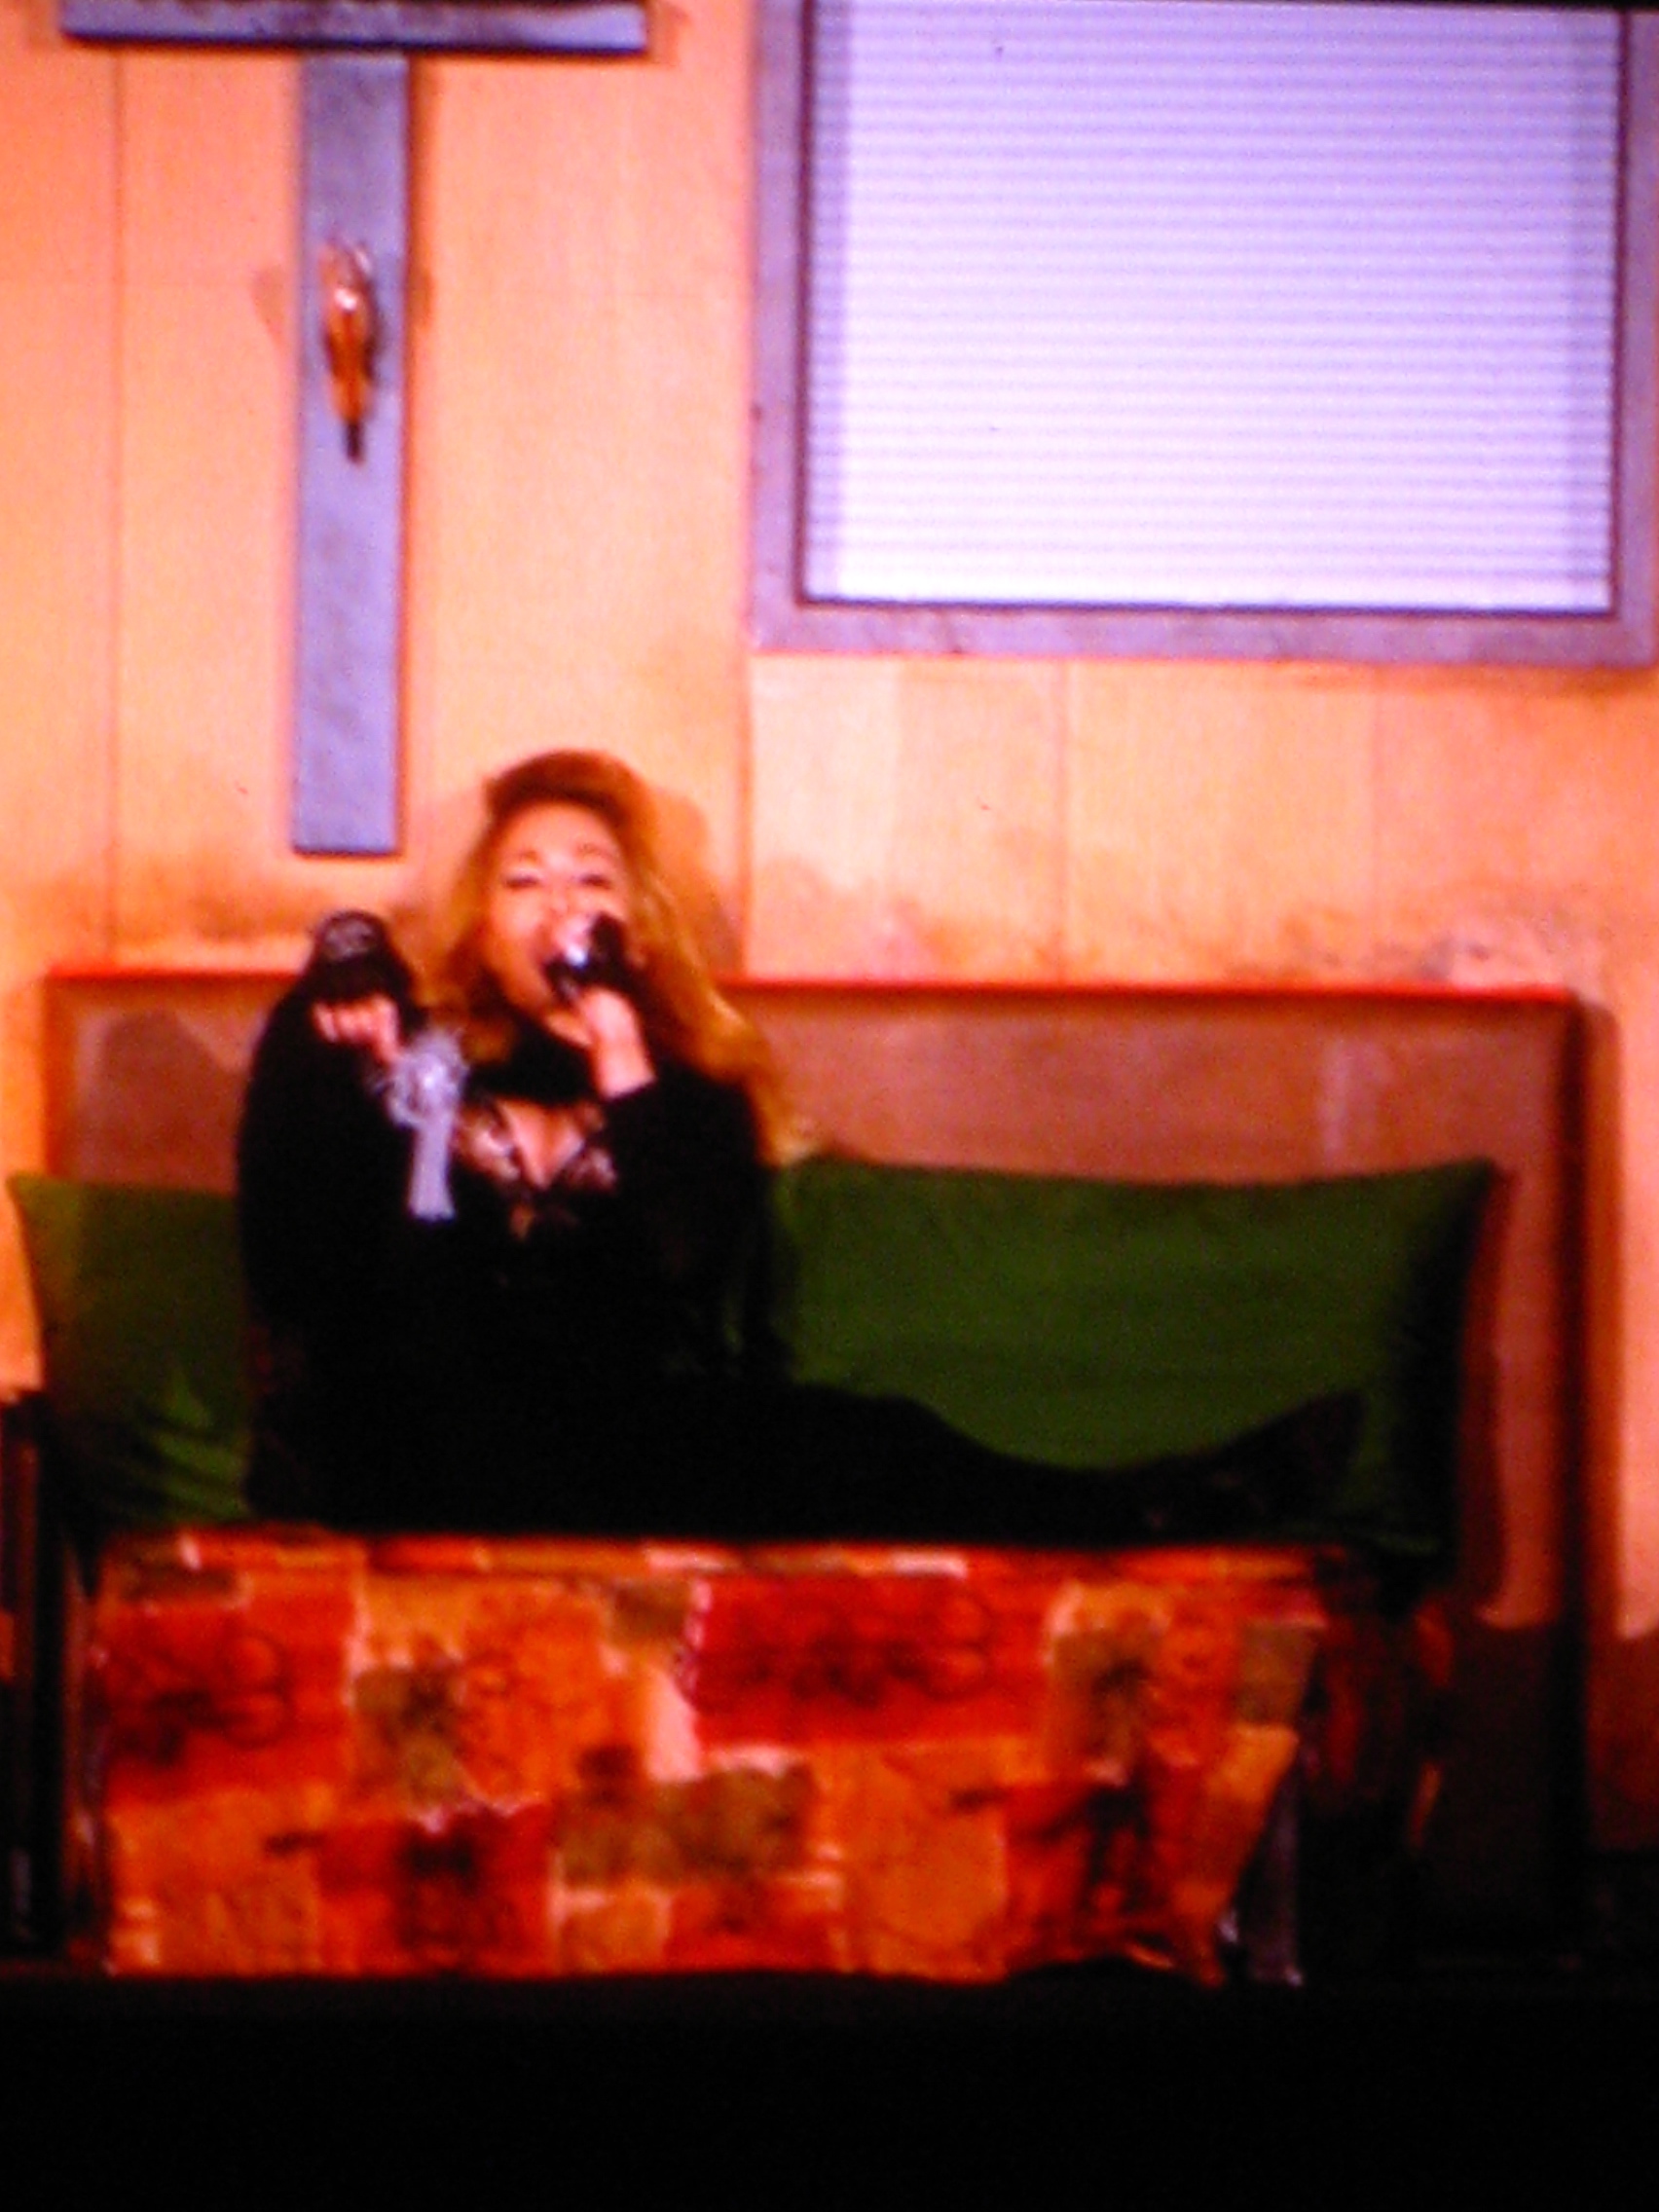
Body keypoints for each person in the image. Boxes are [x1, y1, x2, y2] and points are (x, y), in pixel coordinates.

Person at [237, 750, 786, 1532]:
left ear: (639, 932)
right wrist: (347, 962)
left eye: (593, 880)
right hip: (422, 1467)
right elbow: (293, 1258)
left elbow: (685, 1260)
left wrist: (618, 1042)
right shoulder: (420, 1060)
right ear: (487, 933)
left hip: (629, 1471)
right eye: (523, 881)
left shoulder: (697, 1092)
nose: (561, 904)